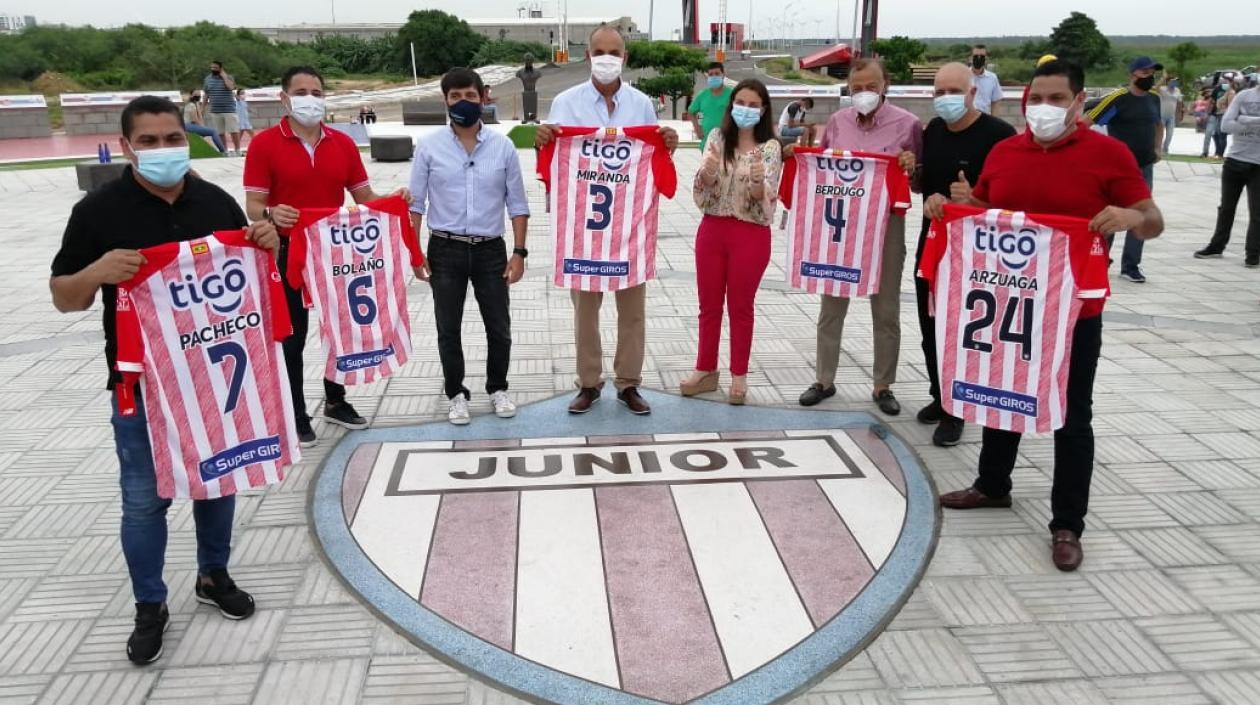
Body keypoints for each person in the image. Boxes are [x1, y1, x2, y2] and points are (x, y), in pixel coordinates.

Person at [50, 96, 279, 665]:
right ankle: (149, 604)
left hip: (212, 378)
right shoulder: (99, 211)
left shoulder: (214, 201)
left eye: (171, 138)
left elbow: (252, 264)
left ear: (187, 139)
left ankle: (213, 575)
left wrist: (267, 240)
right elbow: (63, 297)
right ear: (126, 146)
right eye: (147, 142)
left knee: (218, 484)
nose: (161, 150)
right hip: (142, 389)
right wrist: (98, 272)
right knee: (144, 502)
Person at [928, 60, 1164, 572]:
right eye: (1037, 98)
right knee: (1000, 390)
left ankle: (1067, 522)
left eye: (1057, 99)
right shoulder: (1006, 151)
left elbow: (1153, 221)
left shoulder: (1109, 153)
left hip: (1075, 310)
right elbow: (985, 209)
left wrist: (1129, 217)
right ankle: (992, 485)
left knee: (1072, 414)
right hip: (1009, 304)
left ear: (1080, 103)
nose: (1045, 109)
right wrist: (956, 205)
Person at [243, 65, 410, 445]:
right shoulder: (264, 144)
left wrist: (393, 200)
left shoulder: (343, 144)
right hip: (286, 252)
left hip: (335, 253)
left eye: (316, 92)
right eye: (301, 91)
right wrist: (271, 212)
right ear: (284, 98)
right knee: (293, 337)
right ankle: (296, 412)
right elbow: (254, 204)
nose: (310, 99)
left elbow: (364, 199)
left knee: (339, 327)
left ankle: (336, 400)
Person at [798, 58, 920, 415]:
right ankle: (824, 379)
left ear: (885, 85)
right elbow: (820, 167)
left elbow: (916, 180)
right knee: (831, 305)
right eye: (856, 87)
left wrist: (913, 169)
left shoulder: (908, 124)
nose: (863, 93)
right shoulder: (837, 121)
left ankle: (883, 385)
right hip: (843, 224)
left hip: (885, 224)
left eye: (870, 86)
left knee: (886, 310)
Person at [409, 68, 530, 425]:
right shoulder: (430, 146)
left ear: (484, 97)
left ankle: (498, 387)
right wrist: (415, 254)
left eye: (470, 96)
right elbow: (415, 204)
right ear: (445, 100)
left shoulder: (503, 146)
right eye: (456, 97)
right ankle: (456, 393)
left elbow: (518, 204)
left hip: (490, 249)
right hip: (444, 250)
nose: (463, 102)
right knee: (449, 327)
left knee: (499, 325)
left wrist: (519, 253)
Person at [915, 63, 1016, 447]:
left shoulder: (999, 136)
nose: (945, 99)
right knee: (931, 326)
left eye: (953, 91)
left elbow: (1012, 201)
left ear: (973, 92)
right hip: (936, 244)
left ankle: (957, 409)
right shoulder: (934, 131)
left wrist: (974, 199)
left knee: (965, 330)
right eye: (939, 92)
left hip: (981, 254)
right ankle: (940, 395)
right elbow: (924, 187)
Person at [683, 79, 782, 405]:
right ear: (731, 105)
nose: (746, 110)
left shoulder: (769, 148)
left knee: (740, 306)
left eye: (754, 105)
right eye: (741, 102)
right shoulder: (716, 138)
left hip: (750, 233)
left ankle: (739, 375)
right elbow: (702, 188)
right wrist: (707, 175)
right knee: (708, 306)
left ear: (763, 109)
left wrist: (756, 186)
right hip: (713, 229)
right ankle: (705, 369)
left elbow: (765, 197)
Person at [1085, 56, 1164, 284]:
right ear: (1133, 75)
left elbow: (1158, 124)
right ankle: (1100, 261)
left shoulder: (1154, 99)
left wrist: (1158, 147)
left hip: (1144, 166)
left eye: (1152, 73)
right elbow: (1086, 123)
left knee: (1141, 215)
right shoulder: (1117, 98)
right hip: (1117, 170)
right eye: (1144, 72)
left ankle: (1131, 266)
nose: (1149, 77)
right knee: (1109, 216)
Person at [1194, 78, 1260, 267]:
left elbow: (1235, 123)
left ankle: (1253, 253)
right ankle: (1216, 246)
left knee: (1257, 212)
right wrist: (1253, 123)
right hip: (1235, 161)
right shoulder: (1244, 96)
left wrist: (1244, 120)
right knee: (1226, 208)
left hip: (1258, 165)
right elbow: (1226, 125)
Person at [689, 62, 733, 150]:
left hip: (727, 142)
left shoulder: (732, 94)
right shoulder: (702, 95)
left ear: (723, 75)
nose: (714, 77)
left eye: (717, 74)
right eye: (711, 74)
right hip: (707, 143)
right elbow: (691, 112)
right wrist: (697, 129)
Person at [203, 61, 242, 156]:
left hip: (229, 109)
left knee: (233, 130)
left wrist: (224, 76)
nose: (213, 69)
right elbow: (206, 94)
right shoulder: (208, 79)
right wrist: (202, 107)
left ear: (221, 68)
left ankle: (237, 150)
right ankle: (225, 150)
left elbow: (231, 87)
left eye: (215, 68)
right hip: (215, 110)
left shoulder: (229, 77)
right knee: (220, 132)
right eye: (211, 67)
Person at [969, 45, 1004, 115]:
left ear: (986, 59)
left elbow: (996, 101)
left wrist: (994, 122)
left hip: (984, 119)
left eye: (982, 56)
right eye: (975, 56)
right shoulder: (962, 76)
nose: (978, 59)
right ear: (970, 58)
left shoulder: (992, 78)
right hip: (966, 119)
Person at [1203, 74, 1229, 159]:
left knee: (1220, 134)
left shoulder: (1232, 90)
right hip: (1214, 113)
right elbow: (1211, 101)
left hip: (1224, 114)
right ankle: (1205, 152)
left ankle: (1219, 153)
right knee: (1211, 133)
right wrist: (1207, 113)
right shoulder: (1217, 89)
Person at [1158, 75, 1182, 154]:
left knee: (1170, 134)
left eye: (1175, 81)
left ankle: (1165, 149)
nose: (1174, 82)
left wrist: (1179, 115)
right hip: (1162, 115)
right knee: (1159, 134)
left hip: (1171, 117)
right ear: (1168, 82)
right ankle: (1158, 148)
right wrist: (1163, 79)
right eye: (1172, 81)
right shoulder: (1162, 89)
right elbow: (1154, 88)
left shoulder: (1177, 90)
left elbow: (1179, 103)